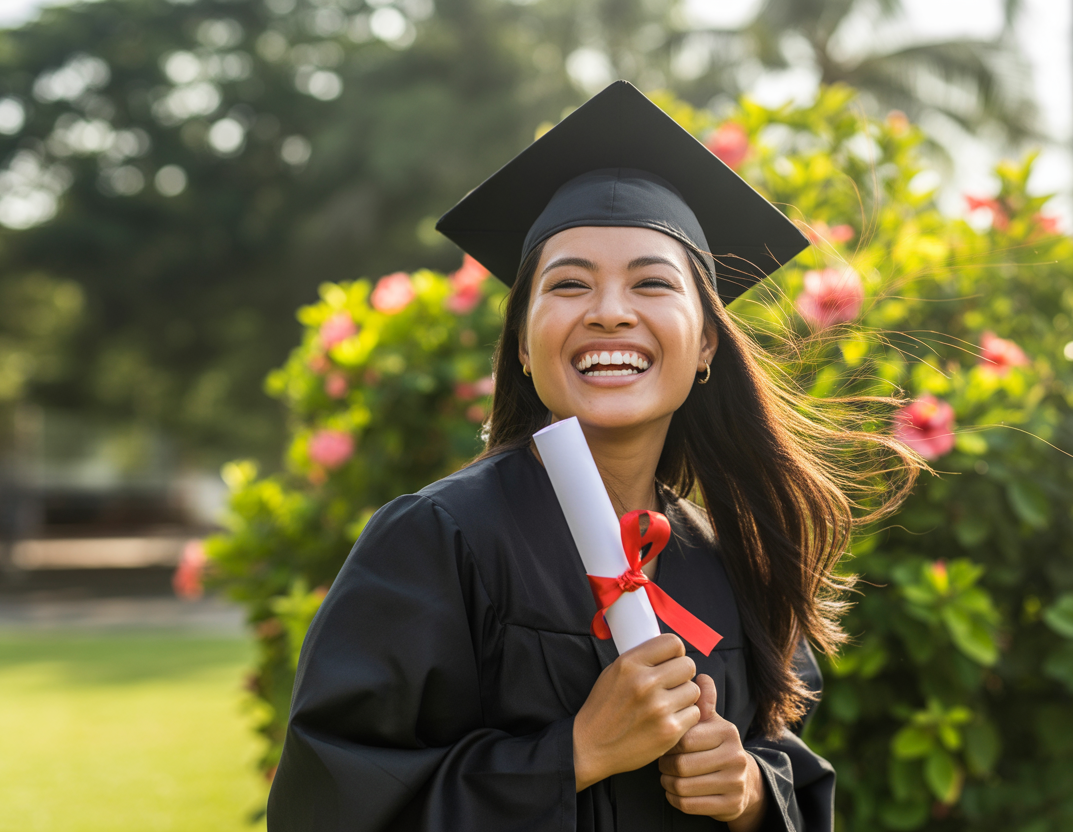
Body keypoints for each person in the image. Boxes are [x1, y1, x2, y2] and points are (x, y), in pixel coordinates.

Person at [267, 81, 924, 831]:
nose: (610, 310)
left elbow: (784, 760)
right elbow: (327, 808)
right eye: (570, 283)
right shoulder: (437, 543)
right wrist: (573, 754)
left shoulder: (729, 558)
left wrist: (746, 794)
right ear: (521, 341)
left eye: (651, 282)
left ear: (705, 342)